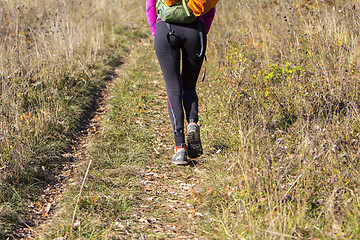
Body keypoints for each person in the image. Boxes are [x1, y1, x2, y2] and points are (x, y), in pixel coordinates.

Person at [146, 0, 216, 165]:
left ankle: (180, 148)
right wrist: (202, 32)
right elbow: (210, 9)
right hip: (195, 29)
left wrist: (156, 31)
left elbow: (150, 5)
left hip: (166, 28)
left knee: (173, 89)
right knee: (189, 86)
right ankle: (192, 123)